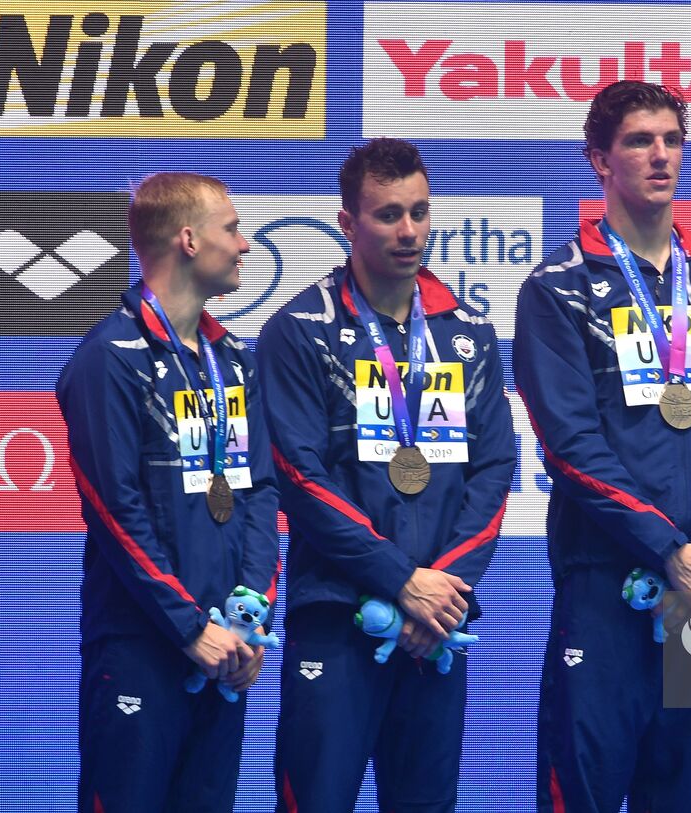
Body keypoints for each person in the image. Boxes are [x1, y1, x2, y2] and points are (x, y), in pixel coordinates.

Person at [514, 80, 691, 813]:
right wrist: (668, 547)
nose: (660, 155)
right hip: (604, 582)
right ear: (597, 158)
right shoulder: (558, 288)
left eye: (671, 139)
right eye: (638, 140)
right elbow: (569, 445)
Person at [258, 138, 516, 812]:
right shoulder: (299, 330)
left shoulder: (468, 332)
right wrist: (402, 580)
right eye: (388, 215)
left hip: (439, 622)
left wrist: (443, 589)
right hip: (338, 618)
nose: (409, 231)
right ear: (347, 224)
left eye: (420, 212)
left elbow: (493, 469)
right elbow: (300, 476)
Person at [57, 172, 279, 812]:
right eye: (231, 229)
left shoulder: (232, 358)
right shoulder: (108, 358)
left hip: (225, 648)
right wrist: (189, 629)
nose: (243, 246)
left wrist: (247, 621)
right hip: (142, 647)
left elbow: (258, 490)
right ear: (188, 239)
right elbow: (113, 510)